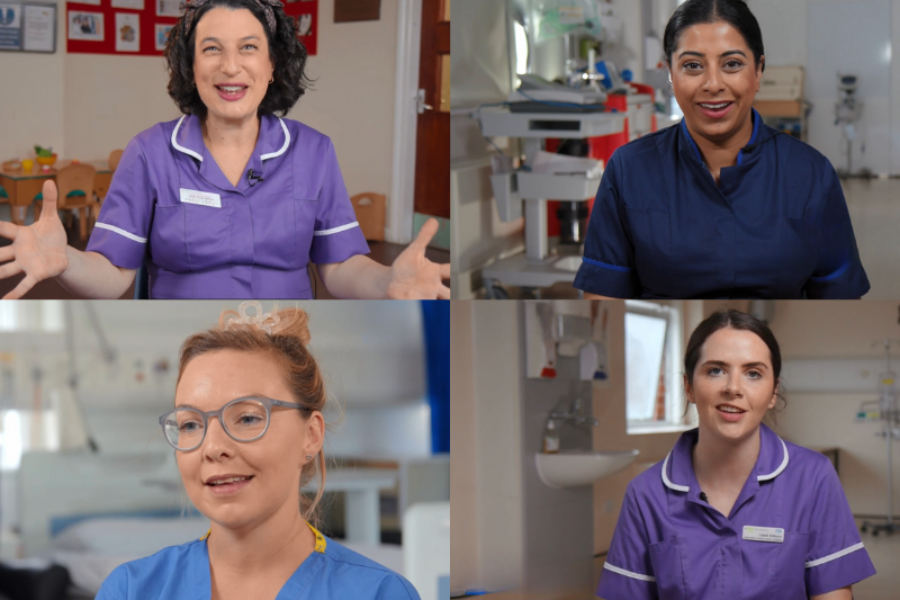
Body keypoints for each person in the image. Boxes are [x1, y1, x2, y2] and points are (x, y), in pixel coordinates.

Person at [0, 0, 449, 300]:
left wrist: (387, 278)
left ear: (272, 65)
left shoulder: (314, 152)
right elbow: (114, 272)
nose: (230, 66)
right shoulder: (150, 152)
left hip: (286, 343)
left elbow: (341, 265)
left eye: (248, 49)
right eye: (211, 49)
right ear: (191, 68)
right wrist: (67, 261)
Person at [95, 302, 421, 599]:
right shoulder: (131, 589)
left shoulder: (379, 593)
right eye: (191, 424)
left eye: (248, 418)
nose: (213, 448)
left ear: (311, 435)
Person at [574, 0, 868, 299]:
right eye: (692, 65)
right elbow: (603, 294)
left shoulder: (810, 174)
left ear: (759, 71)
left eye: (732, 64)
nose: (713, 84)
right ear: (670, 75)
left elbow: (839, 293)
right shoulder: (630, 169)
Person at [597, 310, 876, 600]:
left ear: (772, 393)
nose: (733, 388)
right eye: (715, 370)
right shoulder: (645, 494)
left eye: (753, 373)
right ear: (689, 387)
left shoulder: (813, 477)